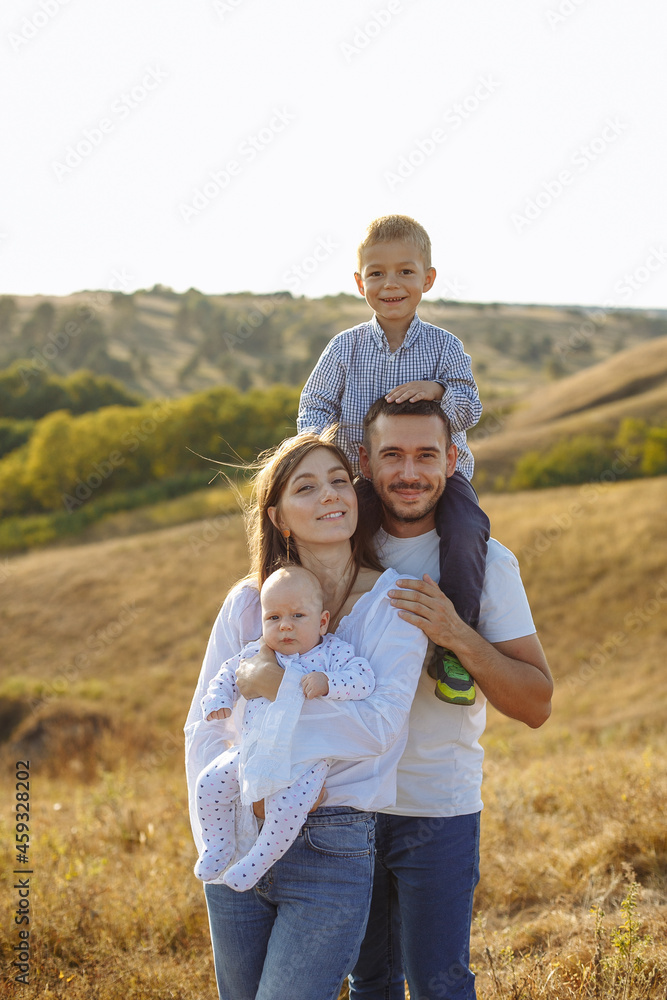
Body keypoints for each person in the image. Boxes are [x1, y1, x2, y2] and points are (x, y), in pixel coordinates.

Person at [184, 431, 429, 1000]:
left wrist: (279, 691)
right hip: (236, 828)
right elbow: (206, 724)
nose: (330, 495)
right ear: (279, 516)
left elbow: (376, 727)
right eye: (308, 486)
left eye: (340, 481)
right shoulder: (248, 604)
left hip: (332, 838)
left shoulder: (398, 602)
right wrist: (234, 804)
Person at [345, 397, 553, 1000]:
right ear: (364, 460)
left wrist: (456, 633)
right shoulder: (336, 552)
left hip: (437, 808)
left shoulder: (489, 564)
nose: (410, 472)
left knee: (440, 985)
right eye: (392, 455)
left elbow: (536, 704)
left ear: (452, 461)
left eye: (426, 455)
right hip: (347, 808)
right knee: (369, 984)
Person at [298, 213, 490, 707]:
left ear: (427, 279)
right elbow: (314, 406)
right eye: (377, 273)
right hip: (363, 475)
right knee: (329, 534)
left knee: (468, 530)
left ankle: (453, 648)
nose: (391, 284)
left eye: (406, 272)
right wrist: (334, 462)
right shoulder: (345, 348)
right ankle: (316, 636)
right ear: (360, 281)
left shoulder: (445, 347)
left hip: (439, 478)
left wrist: (440, 392)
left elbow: (472, 406)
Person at [194, 563, 376, 889]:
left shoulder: (332, 653)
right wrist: (217, 700)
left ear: (322, 621)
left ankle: (259, 859)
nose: (285, 627)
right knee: (209, 783)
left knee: (288, 810)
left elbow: (364, 679)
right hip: (253, 750)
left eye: (297, 616)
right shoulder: (260, 652)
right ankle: (219, 846)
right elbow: (227, 673)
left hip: (304, 762)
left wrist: (329, 683)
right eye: (274, 618)